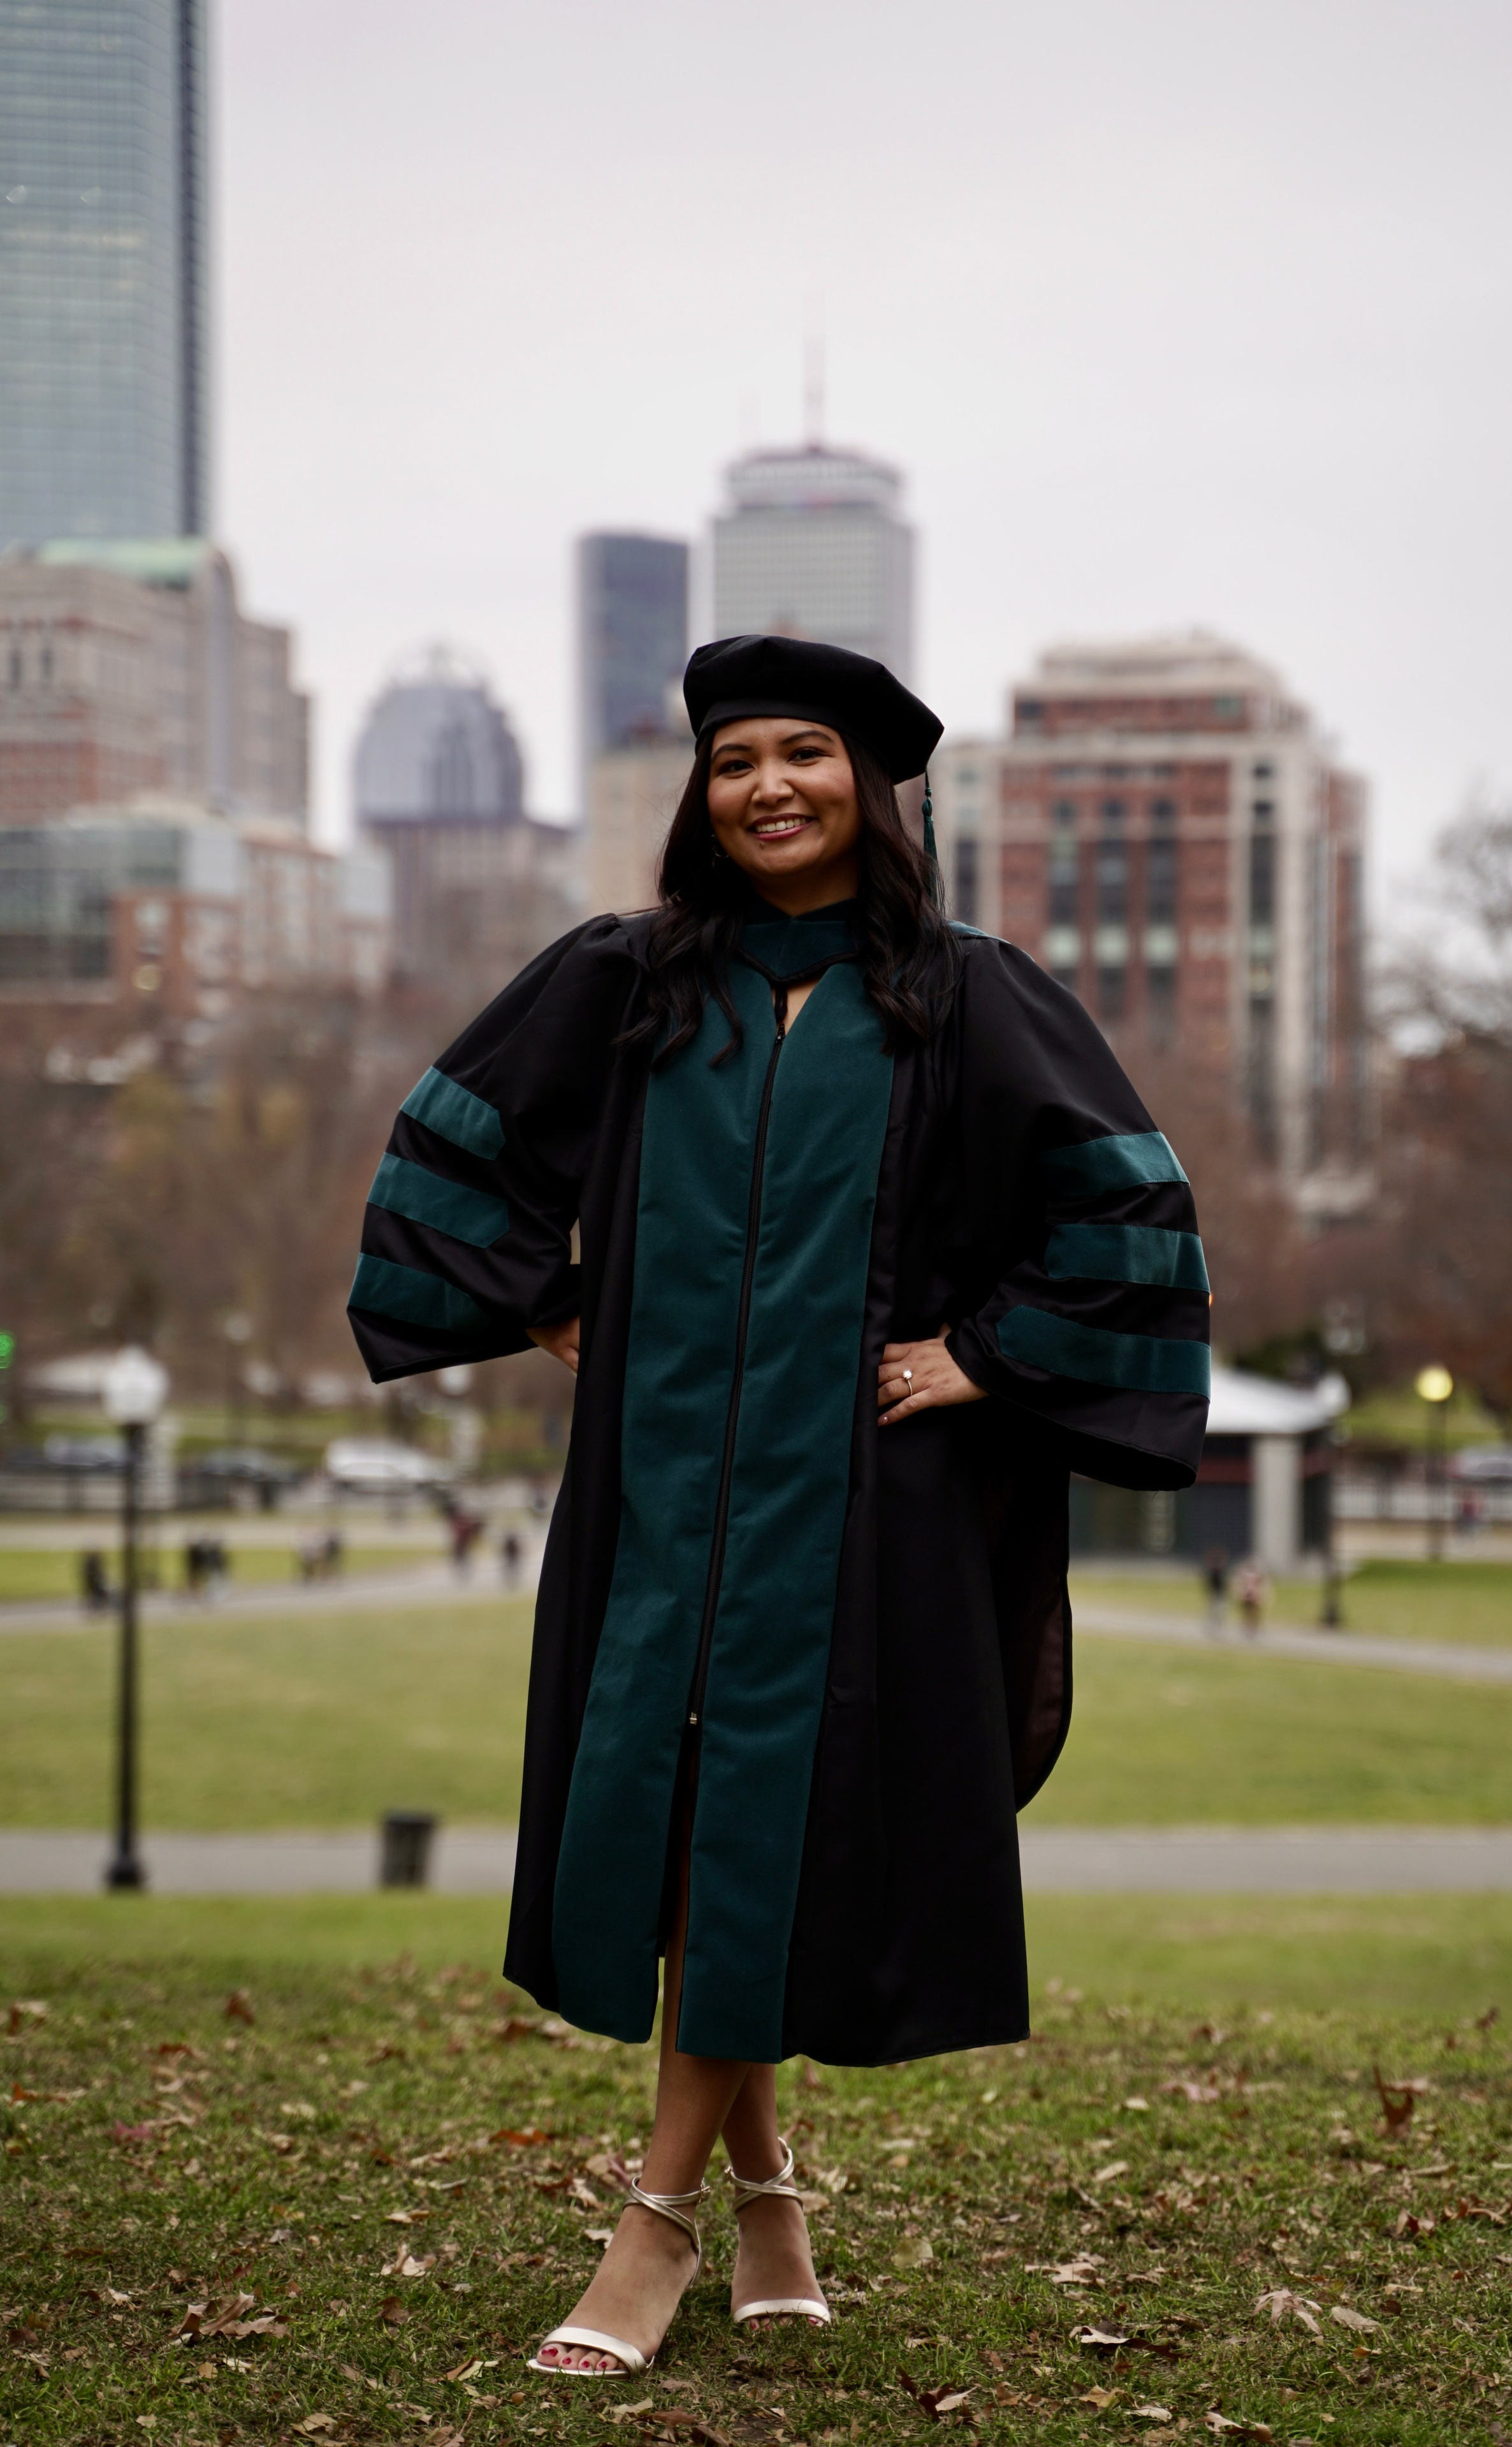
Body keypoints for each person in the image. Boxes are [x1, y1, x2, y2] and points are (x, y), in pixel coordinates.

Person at [346, 634, 1210, 2380]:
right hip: (661, 1493)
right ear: (701, 791)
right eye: (737, 762)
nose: (769, 790)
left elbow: (1131, 1208)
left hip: (865, 1511)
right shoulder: (629, 980)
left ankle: (648, 2234)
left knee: (762, 1836)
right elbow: (450, 1151)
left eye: (804, 755)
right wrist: (553, 1297)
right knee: (685, 1847)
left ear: (868, 784)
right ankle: (766, 2208)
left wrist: (985, 1353)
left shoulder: (966, 994)